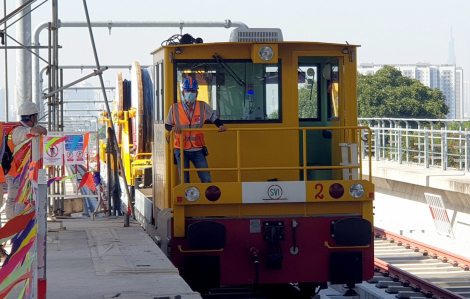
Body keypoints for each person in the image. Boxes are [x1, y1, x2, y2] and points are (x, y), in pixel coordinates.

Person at [165, 77, 226, 183]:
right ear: (183, 92)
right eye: (188, 91)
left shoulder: (202, 106)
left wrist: (220, 125)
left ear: (196, 93)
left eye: (193, 91)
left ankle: (206, 199)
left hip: (197, 148)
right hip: (181, 148)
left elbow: (213, 117)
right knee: (184, 180)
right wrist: (173, 128)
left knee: (206, 178)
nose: (190, 93)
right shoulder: (174, 108)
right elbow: (167, 125)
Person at [6, 102, 47, 220]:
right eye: (36, 117)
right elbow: (32, 131)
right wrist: (38, 129)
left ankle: (21, 226)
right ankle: (13, 228)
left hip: (24, 174)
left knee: (23, 200)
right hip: (15, 174)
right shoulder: (18, 131)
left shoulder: (23, 129)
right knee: (14, 200)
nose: (37, 119)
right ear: (32, 117)